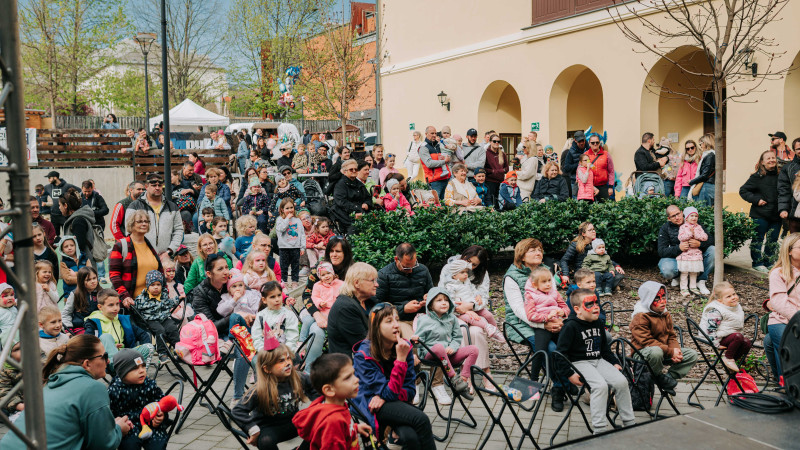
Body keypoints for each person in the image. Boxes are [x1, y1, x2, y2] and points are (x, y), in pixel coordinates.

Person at [0, 334, 132, 449]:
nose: (108, 361)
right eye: (104, 356)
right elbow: (103, 444)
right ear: (87, 364)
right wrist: (119, 429)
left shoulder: (51, 382)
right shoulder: (92, 388)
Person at [352, 303, 435, 450]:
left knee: (410, 437)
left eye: (397, 319)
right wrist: (400, 361)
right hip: (370, 404)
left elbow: (410, 390)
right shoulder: (363, 355)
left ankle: (393, 441)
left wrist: (385, 396)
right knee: (421, 420)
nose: (396, 325)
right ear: (376, 326)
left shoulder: (404, 347)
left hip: (387, 401)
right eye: (389, 321)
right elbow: (388, 392)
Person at [556, 288, 636, 434]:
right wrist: (569, 374)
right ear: (577, 309)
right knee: (600, 386)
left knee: (621, 382)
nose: (596, 307)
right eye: (590, 304)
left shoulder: (598, 323)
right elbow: (560, 354)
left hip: (598, 360)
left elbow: (604, 349)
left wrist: (613, 362)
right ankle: (599, 429)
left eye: (596, 303)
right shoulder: (570, 326)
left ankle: (629, 422)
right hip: (579, 363)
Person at [502, 239, 567, 409]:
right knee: (551, 349)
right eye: (532, 250)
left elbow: (554, 299)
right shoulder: (511, 277)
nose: (538, 253)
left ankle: (566, 379)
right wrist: (542, 324)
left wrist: (559, 318)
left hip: (548, 319)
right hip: (522, 324)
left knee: (566, 342)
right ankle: (559, 389)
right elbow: (517, 309)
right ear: (521, 255)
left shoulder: (545, 271)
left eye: (539, 249)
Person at [231, 345, 316, 450]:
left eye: (288, 358)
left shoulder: (298, 378)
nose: (288, 363)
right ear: (267, 369)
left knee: (320, 428)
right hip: (268, 427)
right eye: (281, 361)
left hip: (293, 422)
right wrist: (252, 429)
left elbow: (315, 388)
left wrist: (318, 407)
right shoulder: (259, 389)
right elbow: (238, 411)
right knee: (266, 442)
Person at [630, 281, 698, 394]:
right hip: (643, 353)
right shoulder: (640, 317)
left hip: (663, 351)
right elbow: (646, 341)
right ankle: (659, 377)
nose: (662, 301)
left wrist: (676, 351)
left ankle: (668, 378)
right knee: (656, 352)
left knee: (691, 355)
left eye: (663, 296)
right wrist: (670, 352)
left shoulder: (665, 314)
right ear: (648, 300)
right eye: (657, 298)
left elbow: (671, 335)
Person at [293, 354, 372, 450]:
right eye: (347, 378)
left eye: (353, 374)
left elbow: (343, 427)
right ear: (329, 390)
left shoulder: (337, 406)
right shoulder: (332, 422)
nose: (356, 380)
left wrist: (355, 428)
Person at [414, 287, 478, 400]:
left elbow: (457, 337)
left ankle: (462, 381)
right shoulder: (424, 320)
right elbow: (419, 342)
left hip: (448, 356)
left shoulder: (452, 319)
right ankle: (454, 378)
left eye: (446, 300)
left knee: (473, 349)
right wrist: (415, 341)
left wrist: (452, 347)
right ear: (430, 305)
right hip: (431, 355)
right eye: (439, 300)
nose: (444, 303)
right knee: (439, 347)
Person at [107, 349, 170, 450]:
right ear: (123, 372)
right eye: (135, 368)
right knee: (129, 445)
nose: (141, 370)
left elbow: (161, 402)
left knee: (157, 444)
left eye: (143, 366)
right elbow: (110, 413)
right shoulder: (115, 389)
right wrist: (116, 423)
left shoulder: (149, 384)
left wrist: (161, 415)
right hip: (128, 427)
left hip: (150, 423)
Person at [376, 243, 433, 338]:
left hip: (423, 317)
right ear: (396, 259)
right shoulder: (384, 275)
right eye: (406, 267)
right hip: (400, 320)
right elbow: (378, 306)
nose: (410, 270)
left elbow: (432, 293)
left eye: (413, 266)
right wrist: (403, 309)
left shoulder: (423, 270)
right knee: (414, 342)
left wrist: (430, 297)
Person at [85, 289, 154, 367]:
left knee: (149, 347)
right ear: (100, 307)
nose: (116, 308)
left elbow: (143, 334)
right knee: (106, 337)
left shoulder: (122, 320)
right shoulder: (94, 322)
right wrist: (109, 347)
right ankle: (120, 371)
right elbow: (88, 344)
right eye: (111, 305)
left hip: (125, 356)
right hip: (107, 360)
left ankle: (139, 375)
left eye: (117, 304)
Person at [109, 210, 162, 310]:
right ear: (131, 224)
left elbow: (160, 272)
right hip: (132, 303)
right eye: (140, 221)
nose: (144, 224)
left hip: (154, 302)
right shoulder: (121, 245)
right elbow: (114, 275)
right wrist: (125, 295)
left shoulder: (151, 245)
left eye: (146, 221)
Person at [524, 266, 570, 379]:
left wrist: (562, 312)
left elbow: (566, 307)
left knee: (566, 347)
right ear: (535, 284)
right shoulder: (531, 295)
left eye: (549, 280)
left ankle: (567, 377)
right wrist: (546, 317)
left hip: (558, 323)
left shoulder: (554, 293)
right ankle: (534, 378)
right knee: (540, 351)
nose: (548, 284)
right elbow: (530, 315)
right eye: (544, 282)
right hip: (543, 327)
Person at [657, 205, 714, 294]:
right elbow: (661, 251)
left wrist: (700, 244)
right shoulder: (665, 228)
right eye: (673, 216)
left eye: (678, 214)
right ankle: (678, 277)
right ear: (669, 218)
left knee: (713, 251)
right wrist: (679, 248)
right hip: (676, 257)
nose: (677, 217)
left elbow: (710, 239)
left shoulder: (694, 222)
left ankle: (700, 281)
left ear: (682, 212)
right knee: (667, 269)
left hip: (695, 254)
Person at [125, 174, 184, 258]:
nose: (157, 188)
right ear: (146, 186)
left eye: (159, 185)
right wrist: (139, 250)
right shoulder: (134, 206)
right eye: (153, 185)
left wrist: (170, 251)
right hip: (141, 255)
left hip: (166, 257)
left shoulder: (172, 207)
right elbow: (129, 231)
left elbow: (178, 230)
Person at [739, 151, 780, 272]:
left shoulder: (780, 175)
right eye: (768, 158)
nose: (772, 160)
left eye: (773, 158)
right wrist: (757, 200)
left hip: (776, 214)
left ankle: (769, 262)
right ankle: (757, 262)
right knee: (758, 239)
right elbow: (743, 191)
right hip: (760, 214)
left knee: (772, 240)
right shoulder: (757, 177)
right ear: (762, 162)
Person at [766, 234, 800, 378]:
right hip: (781, 321)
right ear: (789, 251)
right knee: (789, 344)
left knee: (769, 341)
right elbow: (779, 302)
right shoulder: (778, 273)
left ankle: (782, 382)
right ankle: (786, 385)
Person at [327, 262, 378, 355]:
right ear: (357, 283)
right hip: (349, 365)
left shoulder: (370, 302)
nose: (377, 284)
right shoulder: (344, 308)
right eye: (372, 281)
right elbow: (363, 344)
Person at [700, 282, 751, 373]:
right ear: (720, 300)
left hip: (729, 335)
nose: (733, 297)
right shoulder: (716, 310)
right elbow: (710, 329)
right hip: (716, 337)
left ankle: (730, 363)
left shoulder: (735, 306)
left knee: (747, 342)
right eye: (728, 296)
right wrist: (716, 344)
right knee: (738, 336)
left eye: (734, 294)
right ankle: (728, 358)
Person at [560, 222, 624, 289]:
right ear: (583, 234)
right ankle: (606, 286)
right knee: (590, 278)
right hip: (584, 271)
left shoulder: (596, 243)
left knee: (619, 275)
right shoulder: (575, 245)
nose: (593, 231)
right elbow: (564, 260)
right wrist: (565, 274)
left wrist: (616, 265)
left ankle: (599, 286)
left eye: (593, 229)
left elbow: (604, 257)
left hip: (598, 269)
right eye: (590, 230)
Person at [134, 270, 181, 354]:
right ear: (148, 286)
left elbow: (169, 303)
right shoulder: (142, 298)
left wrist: (178, 299)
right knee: (160, 330)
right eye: (152, 285)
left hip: (164, 318)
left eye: (158, 284)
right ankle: (162, 353)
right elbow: (137, 308)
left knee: (172, 327)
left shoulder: (163, 295)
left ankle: (178, 349)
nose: (156, 287)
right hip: (151, 320)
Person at [251, 281, 300, 351]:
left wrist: (284, 352)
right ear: (264, 300)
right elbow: (256, 337)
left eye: (279, 295)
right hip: (266, 353)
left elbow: (292, 338)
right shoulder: (260, 316)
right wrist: (263, 351)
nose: (277, 299)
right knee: (254, 361)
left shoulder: (289, 315)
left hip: (285, 352)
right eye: (272, 297)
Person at [331, 159, 371, 234]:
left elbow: (368, 197)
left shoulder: (359, 183)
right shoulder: (340, 184)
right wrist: (358, 210)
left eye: (356, 169)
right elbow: (341, 202)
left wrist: (367, 204)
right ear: (344, 172)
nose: (354, 171)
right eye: (351, 169)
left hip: (361, 212)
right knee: (355, 229)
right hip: (345, 214)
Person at [676, 207, 709, 296]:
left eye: (696, 216)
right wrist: (690, 234)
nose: (694, 218)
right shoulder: (683, 227)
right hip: (686, 254)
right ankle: (684, 288)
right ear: (686, 218)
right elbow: (681, 237)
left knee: (694, 272)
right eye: (692, 216)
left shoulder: (699, 227)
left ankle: (693, 287)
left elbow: (705, 237)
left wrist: (695, 234)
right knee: (685, 272)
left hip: (695, 254)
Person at [60, 188, 97, 262]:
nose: (59, 208)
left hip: (81, 267)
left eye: (59, 205)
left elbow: (79, 246)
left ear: (65, 205)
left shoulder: (78, 221)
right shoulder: (77, 219)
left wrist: (60, 241)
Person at [419, 126, 452, 200]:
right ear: (426, 134)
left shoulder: (439, 145)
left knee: (446, 204)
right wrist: (444, 161)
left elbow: (448, 157)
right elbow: (429, 163)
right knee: (436, 204)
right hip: (435, 181)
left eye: (435, 133)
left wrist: (446, 158)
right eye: (432, 133)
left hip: (446, 178)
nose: (434, 135)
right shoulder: (423, 148)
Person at [44, 170, 78, 236]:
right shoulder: (48, 187)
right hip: (54, 216)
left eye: (49, 178)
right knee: (54, 236)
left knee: (68, 235)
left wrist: (73, 206)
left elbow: (79, 192)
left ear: (55, 177)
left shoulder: (67, 186)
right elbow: (39, 193)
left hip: (65, 216)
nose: (48, 179)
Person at [777, 137, 800, 233]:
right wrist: (783, 209)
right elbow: (784, 190)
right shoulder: (788, 168)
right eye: (798, 148)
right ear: (794, 150)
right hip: (795, 216)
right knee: (795, 245)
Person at [584, 134, 615, 201]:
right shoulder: (585, 155)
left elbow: (611, 171)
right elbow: (581, 169)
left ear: (599, 143)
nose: (595, 144)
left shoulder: (606, 154)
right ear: (589, 143)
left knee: (604, 209)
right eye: (593, 143)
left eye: (597, 142)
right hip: (589, 187)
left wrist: (610, 187)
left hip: (603, 187)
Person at [688, 133, 716, 206]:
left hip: (707, 186)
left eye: (700, 144)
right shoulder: (712, 155)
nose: (700, 147)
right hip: (710, 185)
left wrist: (691, 181)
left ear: (705, 143)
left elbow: (704, 175)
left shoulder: (710, 156)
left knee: (704, 210)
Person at [484, 133, 508, 207]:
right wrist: (494, 171)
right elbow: (485, 169)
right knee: (491, 202)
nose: (496, 143)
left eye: (498, 141)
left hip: (501, 182)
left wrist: (496, 171)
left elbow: (506, 168)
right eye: (494, 141)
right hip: (490, 182)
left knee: (500, 203)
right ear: (490, 142)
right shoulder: (486, 153)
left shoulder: (502, 154)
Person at [561, 131, 587, 198]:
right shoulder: (571, 152)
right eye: (579, 141)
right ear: (575, 140)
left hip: (588, 182)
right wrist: (579, 164)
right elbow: (566, 168)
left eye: (583, 141)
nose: (581, 143)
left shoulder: (588, 149)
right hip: (576, 182)